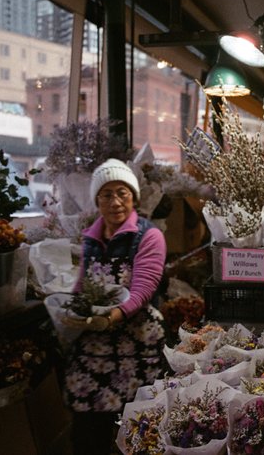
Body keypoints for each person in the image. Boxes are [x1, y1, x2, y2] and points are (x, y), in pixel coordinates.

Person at [62, 158, 167, 455]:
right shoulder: (91, 239)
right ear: (97, 200)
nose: (115, 201)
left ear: (134, 197)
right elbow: (83, 284)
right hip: (95, 342)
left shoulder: (148, 236)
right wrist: (73, 311)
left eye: (122, 192)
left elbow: (144, 288)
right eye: (107, 194)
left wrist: (111, 318)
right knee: (87, 425)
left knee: (136, 426)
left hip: (136, 340)